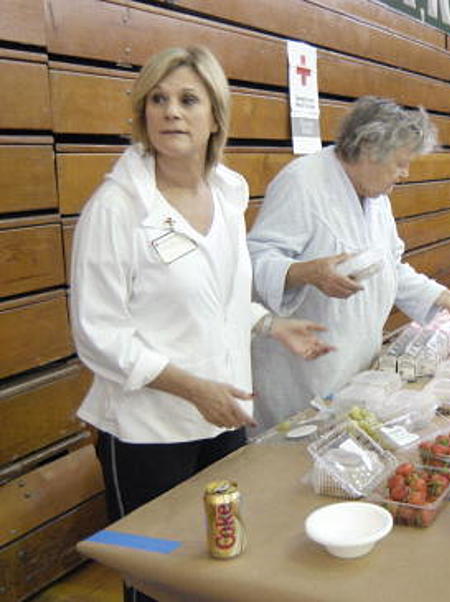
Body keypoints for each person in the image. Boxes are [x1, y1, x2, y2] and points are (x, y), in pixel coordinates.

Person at [70, 46, 331, 600]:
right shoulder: (117, 208)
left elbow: (221, 295)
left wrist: (269, 325)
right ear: (143, 114)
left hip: (223, 415)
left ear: (216, 116)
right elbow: (99, 335)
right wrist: (190, 387)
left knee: (220, 563)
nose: (171, 112)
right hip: (147, 431)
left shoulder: (228, 193)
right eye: (158, 100)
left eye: (188, 100)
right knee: (156, 576)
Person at [247, 96, 450, 431]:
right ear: (370, 148)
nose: (405, 174)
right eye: (401, 163)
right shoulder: (302, 182)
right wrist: (308, 273)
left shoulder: (375, 196)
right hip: (304, 369)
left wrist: (440, 296)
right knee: (291, 458)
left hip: (355, 363)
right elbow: (255, 262)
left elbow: (388, 265)